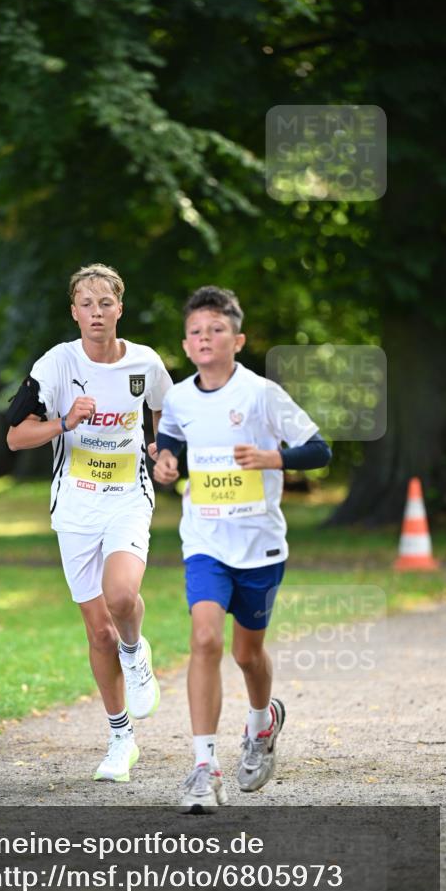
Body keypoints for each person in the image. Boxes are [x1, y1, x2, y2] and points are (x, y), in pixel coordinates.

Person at [154, 286, 331, 813]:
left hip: (260, 547)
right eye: (196, 332)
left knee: (246, 654)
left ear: (238, 340)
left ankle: (261, 724)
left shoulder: (261, 394)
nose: (205, 338)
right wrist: (167, 461)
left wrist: (273, 459)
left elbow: (319, 449)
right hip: (205, 541)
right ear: (186, 345)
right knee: (205, 639)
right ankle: (204, 768)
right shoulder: (179, 398)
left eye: (216, 329)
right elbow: (171, 440)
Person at [6, 263, 173, 783]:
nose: (96, 312)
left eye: (105, 303)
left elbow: (165, 412)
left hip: (128, 497)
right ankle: (121, 738)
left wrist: (162, 447)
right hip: (75, 507)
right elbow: (16, 436)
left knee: (121, 597)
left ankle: (135, 651)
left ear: (120, 308)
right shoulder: (56, 364)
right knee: (98, 632)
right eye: (86, 304)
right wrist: (64, 422)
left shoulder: (145, 362)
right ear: (74, 312)